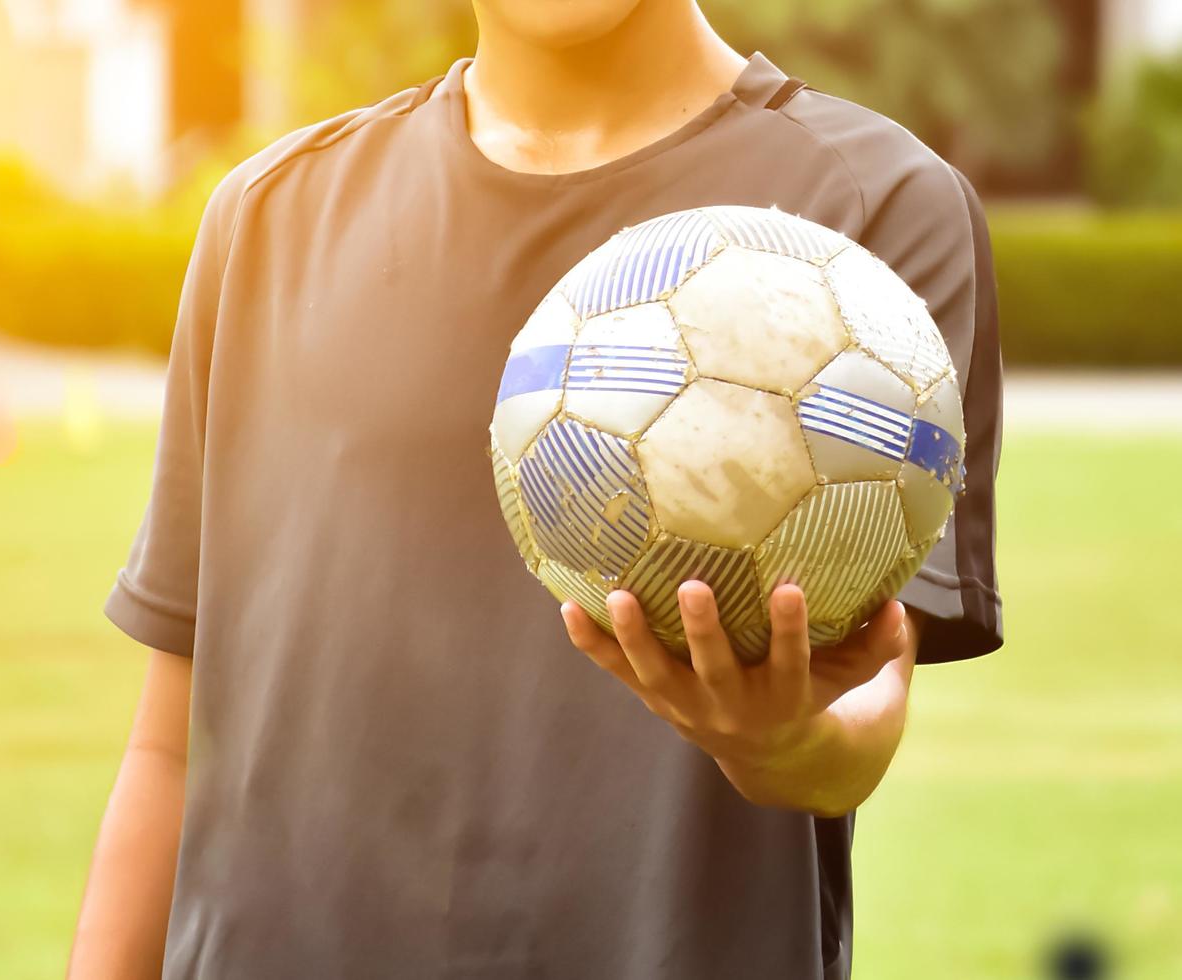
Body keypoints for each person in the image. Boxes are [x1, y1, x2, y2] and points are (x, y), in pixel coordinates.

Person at [68, 0, 1003, 976]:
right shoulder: (271, 214)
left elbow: (865, 703)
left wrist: (779, 740)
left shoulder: (873, 208)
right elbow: (172, 746)